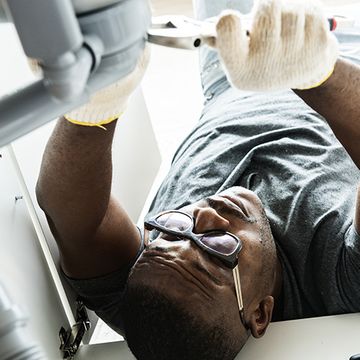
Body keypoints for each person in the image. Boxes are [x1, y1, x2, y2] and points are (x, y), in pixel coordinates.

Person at [36, 0, 360, 359]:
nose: (203, 215)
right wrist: (312, 72)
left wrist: (98, 99)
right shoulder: (339, 285)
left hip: (230, 69)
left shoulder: (149, 296)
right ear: (259, 313)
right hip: (343, 69)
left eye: (172, 230)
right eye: (218, 247)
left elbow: (72, 215)